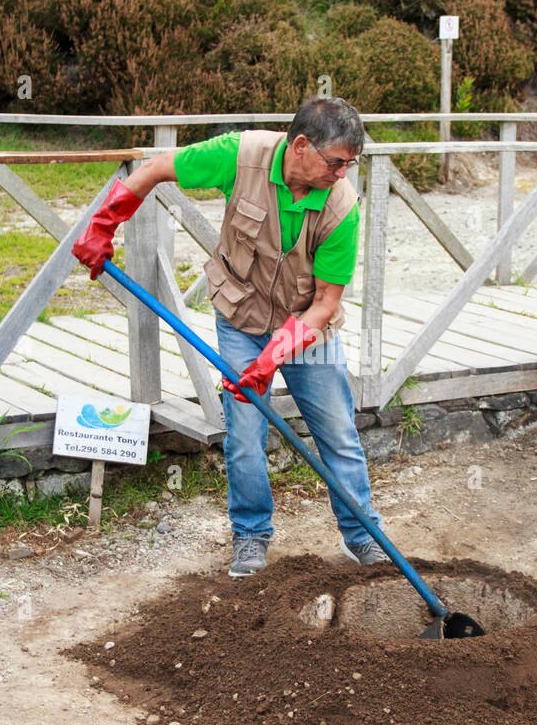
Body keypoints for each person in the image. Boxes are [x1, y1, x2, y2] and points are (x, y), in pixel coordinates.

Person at [71, 96, 388, 578]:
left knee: (338, 432)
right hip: (240, 316)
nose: (343, 173)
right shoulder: (239, 156)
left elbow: (325, 303)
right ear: (300, 146)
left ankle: (362, 535)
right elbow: (156, 168)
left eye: (351, 163)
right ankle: (251, 535)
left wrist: (273, 359)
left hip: (308, 328)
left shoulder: (341, 206)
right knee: (243, 434)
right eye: (337, 162)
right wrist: (103, 223)